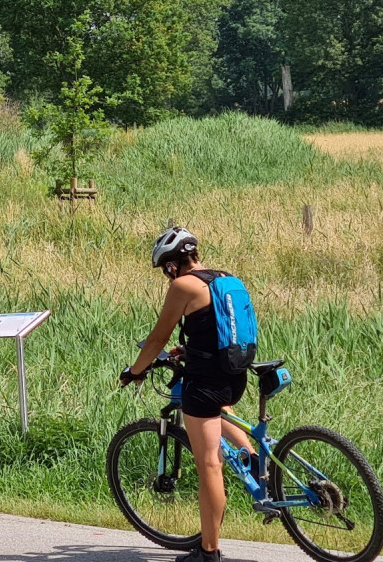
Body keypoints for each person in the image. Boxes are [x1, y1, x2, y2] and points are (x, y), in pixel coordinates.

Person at [120, 227, 256, 562]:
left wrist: (134, 371)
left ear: (170, 265)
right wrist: (188, 348)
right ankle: (255, 460)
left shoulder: (183, 285)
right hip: (235, 375)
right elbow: (219, 328)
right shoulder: (224, 278)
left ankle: (208, 552)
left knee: (209, 463)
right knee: (218, 416)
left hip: (205, 383)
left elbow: (155, 339)